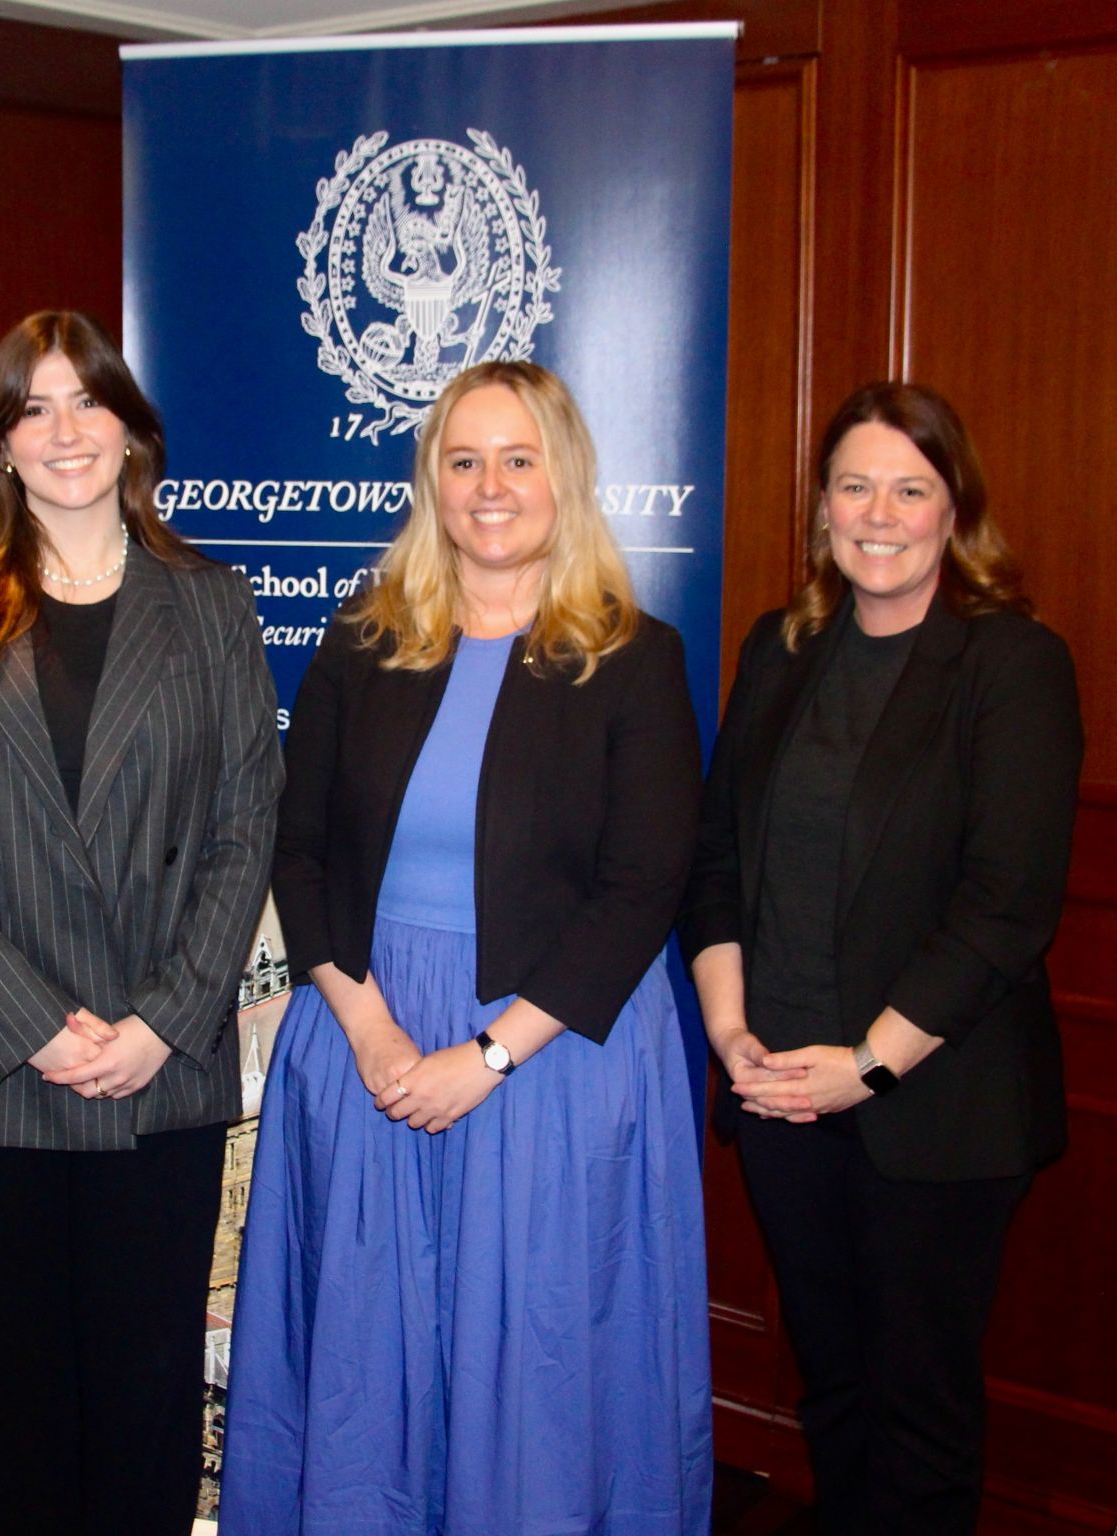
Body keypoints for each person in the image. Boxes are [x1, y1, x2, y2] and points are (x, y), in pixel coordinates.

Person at [221, 360, 711, 1535]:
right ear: (431, 484)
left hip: (552, 1054)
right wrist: (374, 1027)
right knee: (363, 1355)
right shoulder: (362, 639)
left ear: (564, 479)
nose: (490, 487)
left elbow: (644, 887)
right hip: (365, 1037)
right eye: (463, 460)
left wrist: (484, 1058)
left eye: (518, 458)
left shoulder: (634, 656)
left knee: (536, 1362)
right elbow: (299, 850)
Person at [0, 310, 281, 1536]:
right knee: (13, 1400)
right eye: (30, 409)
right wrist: (37, 1025)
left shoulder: (210, 605)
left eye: (85, 401)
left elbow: (244, 826)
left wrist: (162, 1019)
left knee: (146, 1395)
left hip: (159, 1063)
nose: (63, 430)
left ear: (132, 432)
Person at [679, 382, 1083, 1534]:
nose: (878, 512)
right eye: (853, 486)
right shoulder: (781, 647)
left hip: (930, 1104)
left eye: (909, 489)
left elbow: (1005, 909)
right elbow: (717, 858)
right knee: (836, 1394)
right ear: (820, 510)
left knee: (918, 1414)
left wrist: (864, 1063)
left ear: (954, 511)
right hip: (778, 1096)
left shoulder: (1011, 665)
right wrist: (728, 1031)